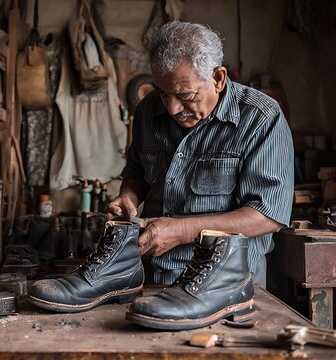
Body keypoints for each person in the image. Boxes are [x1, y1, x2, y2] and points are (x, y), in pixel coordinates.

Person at [28, 21, 293, 330]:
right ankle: (119, 278)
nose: (172, 107)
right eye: (163, 93)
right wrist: (128, 196)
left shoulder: (261, 118)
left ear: (218, 78)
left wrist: (182, 231)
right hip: (151, 279)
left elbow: (267, 215)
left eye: (185, 95)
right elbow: (137, 170)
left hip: (223, 285)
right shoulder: (148, 111)